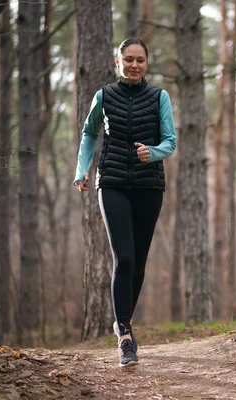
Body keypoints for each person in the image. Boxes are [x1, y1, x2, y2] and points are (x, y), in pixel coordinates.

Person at [73, 38, 176, 367]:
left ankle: (122, 320)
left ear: (147, 63)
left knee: (140, 263)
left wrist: (153, 153)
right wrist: (82, 171)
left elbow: (170, 141)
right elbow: (90, 133)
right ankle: (126, 336)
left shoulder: (160, 97)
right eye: (128, 59)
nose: (134, 65)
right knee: (125, 258)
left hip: (149, 185)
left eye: (140, 60)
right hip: (113, 182)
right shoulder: (103, 95)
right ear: (118, 62)